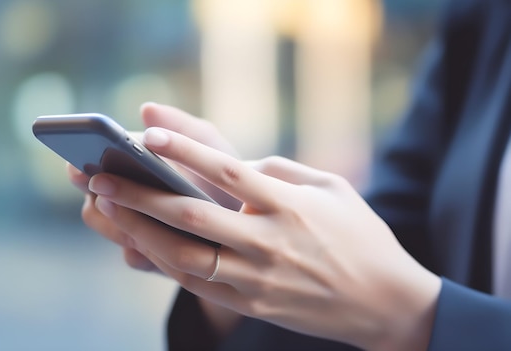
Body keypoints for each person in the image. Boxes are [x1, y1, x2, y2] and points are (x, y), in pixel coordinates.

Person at [68, 0, 511, 349]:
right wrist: (240, 253)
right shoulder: (487, 15)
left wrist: (414, 320)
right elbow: (393, 244)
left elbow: (387, 294)